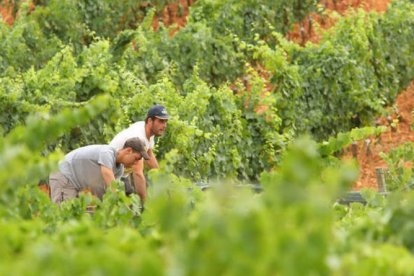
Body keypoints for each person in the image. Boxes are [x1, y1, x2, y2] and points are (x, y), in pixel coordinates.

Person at [49, 137, 150, 204]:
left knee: (76, 214)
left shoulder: (119, 169)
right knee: (64, 215)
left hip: (74, 184)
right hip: (63, 175)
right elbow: (108, 177)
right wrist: (118, 202)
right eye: (136, 158)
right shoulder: (108, 152)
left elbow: (104, 189)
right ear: (128, 151)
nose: (136, 163)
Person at [109, 104, 169, 202]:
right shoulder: (139, 137)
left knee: (129, 200)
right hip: (110, 172)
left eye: (166, 121)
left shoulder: (148, 131)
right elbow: (137, 173)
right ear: (150, 121)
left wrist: (160, 177)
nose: (164, 125)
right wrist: (144, 204)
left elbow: (149, 155)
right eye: (161, 121)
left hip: (121, 173)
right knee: (126, 205)